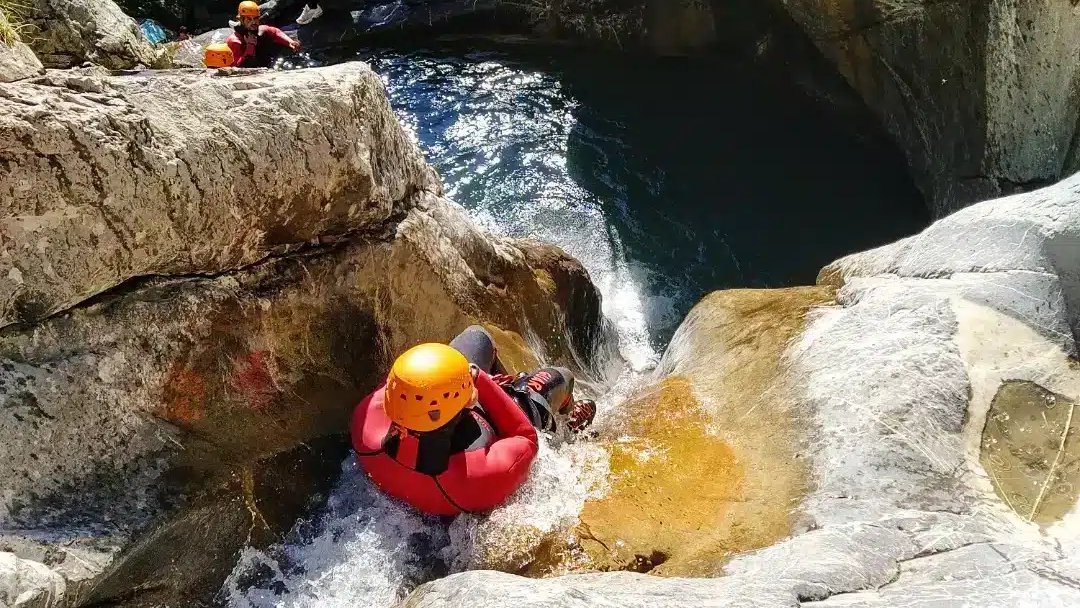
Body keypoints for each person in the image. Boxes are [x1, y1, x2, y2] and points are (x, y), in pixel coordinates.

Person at [351, 326, 597, 516]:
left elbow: (404, 381)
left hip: (447, 421)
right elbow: (525, 437)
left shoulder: (366, 423)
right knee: (560, 377)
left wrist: (446, 375)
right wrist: (479, 379)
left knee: (478, 336)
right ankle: (568, 427)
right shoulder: (478, 476)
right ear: (467, 404)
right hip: (487, 428)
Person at [225, 1, 300, 68]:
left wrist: (290, 42)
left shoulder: (262, 30)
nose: (254, 22)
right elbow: (236, 66)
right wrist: (250, 46)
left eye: (256, 18)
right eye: (249, 19)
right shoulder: (234, 41)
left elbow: (275, 32)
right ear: (241, 20)